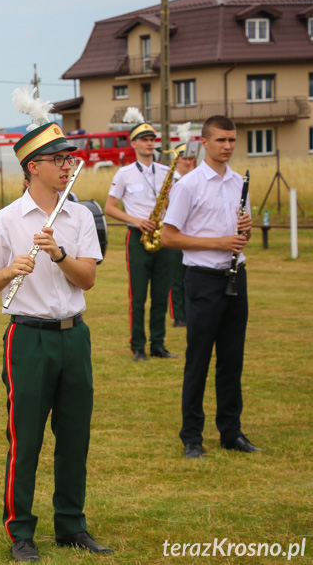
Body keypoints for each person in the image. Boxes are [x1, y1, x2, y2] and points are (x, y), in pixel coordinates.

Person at [0, 123, 111, 562]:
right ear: (33, 167)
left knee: (75, 437)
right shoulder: (4, 221)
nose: (67, 165)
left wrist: (58, 255)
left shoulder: (80, 216)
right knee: (27, 438)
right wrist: (9, 271)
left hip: (74, 335)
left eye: (68, 158)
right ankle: (21, 533)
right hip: (28, 338)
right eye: (58, 160)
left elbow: (87, 277)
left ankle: (72, 525)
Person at [161, 115, 261, 460]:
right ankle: (192, 436)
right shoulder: (189, 185)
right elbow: (168, 236)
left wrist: (244, 231)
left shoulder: (238, 182)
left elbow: (242, 237)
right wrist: (218, 243)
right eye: (221, 140)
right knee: (199, 359)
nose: (228, 146)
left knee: (232, 359)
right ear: (205, 143)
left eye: (232, 140)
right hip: (203, 279)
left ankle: (231, 432)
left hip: (236, 277)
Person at [104, 122, 178, 362]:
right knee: (138, 296)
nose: (149, 143)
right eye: (144, 139)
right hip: (138, 237)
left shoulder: (168, 171)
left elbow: (181, 204)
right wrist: (136, 221)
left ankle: (158, 344)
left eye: (152, 139)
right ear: (133, 143)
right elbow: (110, 208)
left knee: (160, 294)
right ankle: (138, 346)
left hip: (163, 237)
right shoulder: (124, 174)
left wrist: (169, 204)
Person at [167, 143, 197, 329]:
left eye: (190, 158)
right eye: (183, 158)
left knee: (192, 275)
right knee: (176, 277)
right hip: (176, 233)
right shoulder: (169, 181)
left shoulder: (197, 180)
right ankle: (179, 315)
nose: (187, 162)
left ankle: (191, 310)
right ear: (176, 160)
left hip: (193, 233)